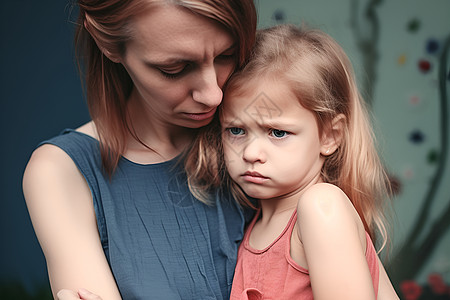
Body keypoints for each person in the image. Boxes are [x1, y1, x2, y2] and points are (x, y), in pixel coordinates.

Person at [22, 1, 256, 299]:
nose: (213, 94)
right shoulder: (61, 172)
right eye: (175, 68)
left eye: (228, 55)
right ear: (107, 43)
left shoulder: (276, 137)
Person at [191, 24, 400, 299]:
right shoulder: (250, 224)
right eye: (236, 130)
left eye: (278, 132)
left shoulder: (321, 207)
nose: (251, 153)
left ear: (330, 136)